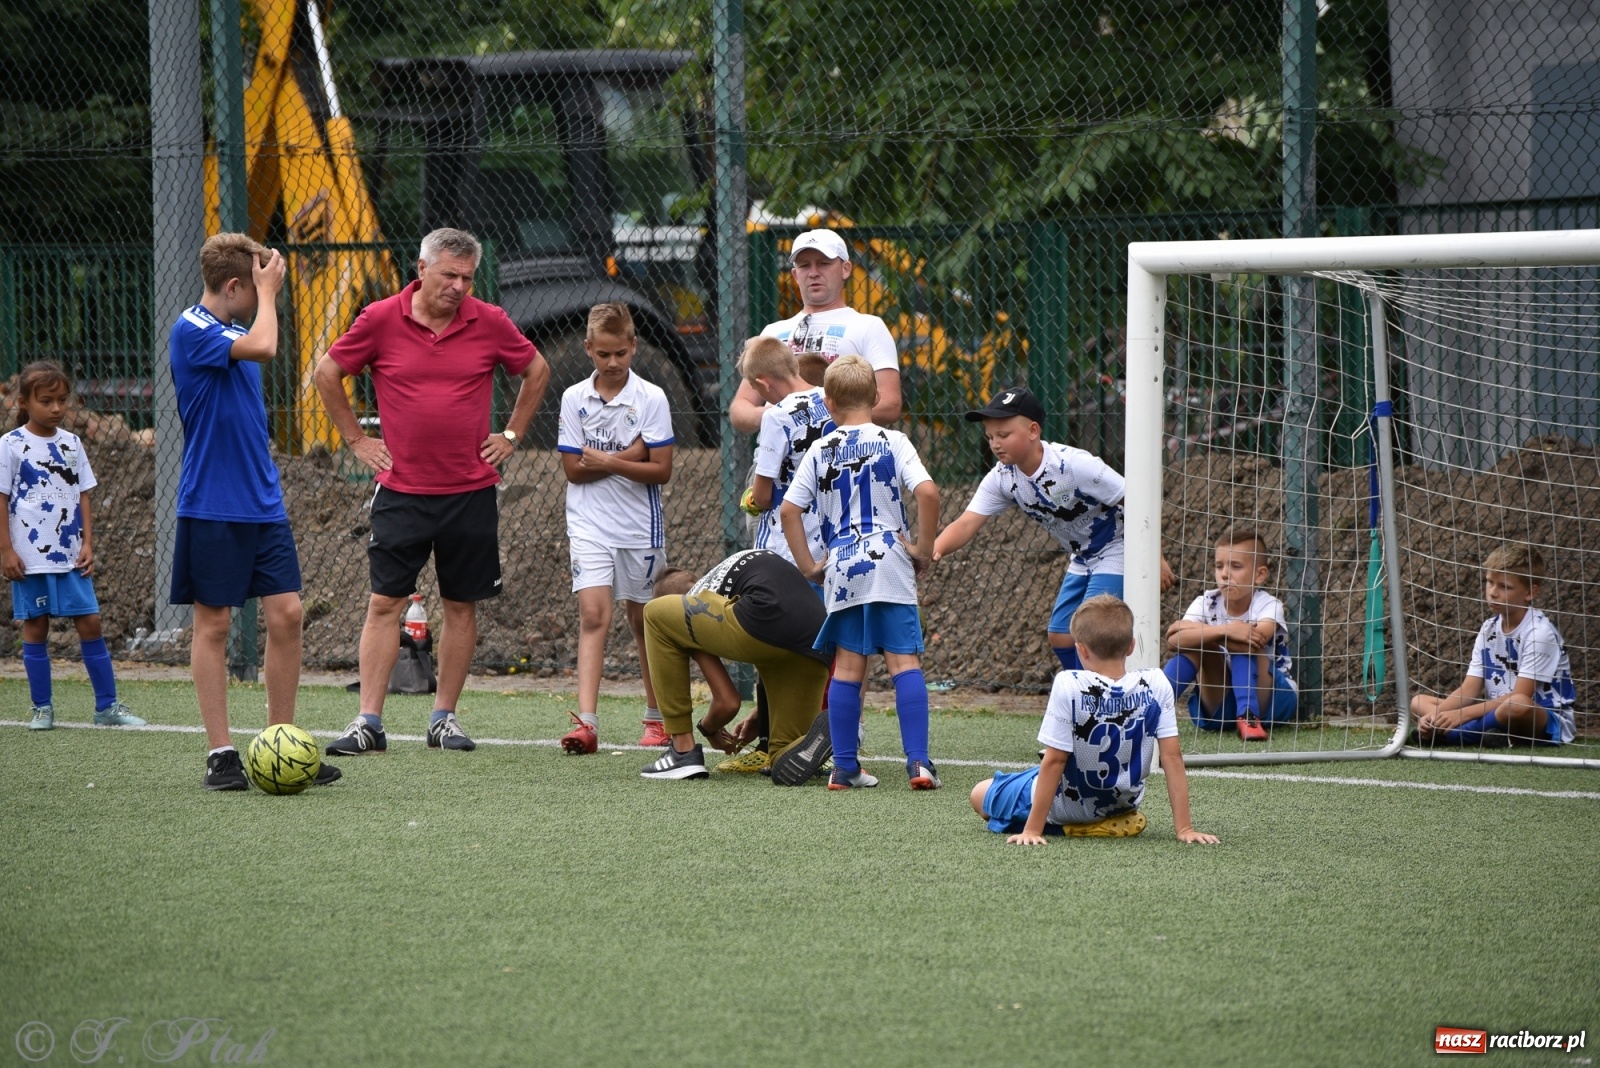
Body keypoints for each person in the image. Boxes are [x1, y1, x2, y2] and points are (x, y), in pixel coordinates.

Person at [316, 227, 550, 757]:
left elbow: (537, 370)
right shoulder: (380, 318)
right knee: (384, 603)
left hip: (470, 492)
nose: (459, 286)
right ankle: (368, 722)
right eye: (449, 275)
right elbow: (328, 373)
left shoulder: (490, 320)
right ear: (421, 269)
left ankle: (443, 718)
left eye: (467, 277)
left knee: (460, 606)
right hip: (401, 491)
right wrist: (356, 440)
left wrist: (512, 434)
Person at [168, 233, 331, 790]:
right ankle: (221, 754)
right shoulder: (192, 329)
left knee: (287, 615)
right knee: (214, 624)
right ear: (235, 286)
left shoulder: (236, 331)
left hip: (263, 503)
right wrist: (269, 292)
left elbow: (258, 343)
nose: (269, 298)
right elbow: (265, 346)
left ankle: (281, 743)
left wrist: (263, 284)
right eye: (260, 288)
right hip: (212, 504)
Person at [781, 354, 941, 791]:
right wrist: (922, 550)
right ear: (875, 397)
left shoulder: (820, 450)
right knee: (904, 662)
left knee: (849, 668)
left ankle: (844, 767)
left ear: (829, 403)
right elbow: (928, 493)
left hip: (842, 563)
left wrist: (809, 566)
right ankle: (919, 764)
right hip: (889, 558)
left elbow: (789, 510)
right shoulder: (894, 440)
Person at [932, 386, 1172, 672]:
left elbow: (1137, 501)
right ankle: (1086, 686)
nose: (995, 444)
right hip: (1082, 556)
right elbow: (966, 522)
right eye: (990, 436)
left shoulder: (1073, 465)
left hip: (1119, 546)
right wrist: (931, 551)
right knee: (1060, 635)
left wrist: (1154, 557)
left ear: (1033, 431)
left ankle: (1102, 691)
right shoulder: (1002, 478)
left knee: (1093, 629)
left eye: (1004, 435)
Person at [971, 595, 1219, 845]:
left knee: (979, 795)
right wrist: (1185, 828)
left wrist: (1033, 831)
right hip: (1121, 805)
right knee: (1031, 776)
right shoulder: (1156, 683)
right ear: (1131, 646)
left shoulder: (1069, 684)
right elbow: (1172, 757)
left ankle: (1067, 828)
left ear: (1080, 649)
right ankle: (1093, 822)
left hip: (1068, 805)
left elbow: (1055, 760)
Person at [555, 302, 676, 754]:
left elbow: (661, 470)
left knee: (644, 621)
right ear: (588, 349)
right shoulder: (573, 398)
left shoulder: (652, 398)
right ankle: (586, 723)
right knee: (593, 615)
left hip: (639, 529)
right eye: (603, 354)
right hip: (588, 524)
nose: (612, 362)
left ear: (634, 347)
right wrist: (630, 455)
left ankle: (657, 718)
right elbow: (573, 470)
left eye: (620, 353)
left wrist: (605, 459)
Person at [2, 361, 144, 731]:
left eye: (62, 400)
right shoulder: (10, 445)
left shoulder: (72, 443)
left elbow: (83, 495)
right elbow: (1, 498)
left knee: (91, 622)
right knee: (35, 627)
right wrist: (6, 550)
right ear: (24, 402)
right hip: (30, 558)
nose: (56, 408)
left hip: (70, 556)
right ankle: (42, 708)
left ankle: (107, 707)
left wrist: (88, 544)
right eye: (46, 401)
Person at [638, 550, 834, 785]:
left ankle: (682, 752)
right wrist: (762, 714)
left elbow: (728, 702)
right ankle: (834, 728)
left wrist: (709, 728)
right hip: (818, 640)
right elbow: (782, 628)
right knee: (784, 751)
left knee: (653, 614)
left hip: (766, 619)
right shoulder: (728, 575)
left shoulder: (697, 602)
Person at [729, 229, 900, 434]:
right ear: (795, 274)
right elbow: (740, 407)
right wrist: (773, 416)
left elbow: (890, 404)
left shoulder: (868, 327)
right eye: (804, 265)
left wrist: (811, 414)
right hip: (778, 453)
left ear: (845, 269)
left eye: (824, 263)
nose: (813, 273)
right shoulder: (773, 332)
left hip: (838, 451)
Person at [1411, 543, 1576, 747]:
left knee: (1517, 705)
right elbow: (1468, 689)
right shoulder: (1488, 628)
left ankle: (1451, 735)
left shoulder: (1540, 633)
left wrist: (1461, 715)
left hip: (1544, 718)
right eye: (1489, 582)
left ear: (1530, 592)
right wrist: (1435, 716)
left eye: (1504, 587)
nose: (1493, 592)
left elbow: (1520, 696)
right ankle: (1480, 733)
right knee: (1419, 701)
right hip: (1495, 713)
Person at [1162, 527, 1298, 741]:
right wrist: (1226, 630)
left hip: (1271, 699)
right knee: (1198, 645)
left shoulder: (1269, 605)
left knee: (1244, 644)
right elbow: (1173, 641)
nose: (1225, 574)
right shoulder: (1205, 602)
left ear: (1260, 574)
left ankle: (1248, 717)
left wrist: (1204, 631)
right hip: (1222, 703)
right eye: (1219, 566)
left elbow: (1252, 642)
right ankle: (1152, 708)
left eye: (1235, 566)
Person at [741, 336, 836, 567]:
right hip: (830, 533)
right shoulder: (831, 398)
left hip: (786, 546)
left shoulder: (776, 416)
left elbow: (763, 497)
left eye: (755, 388)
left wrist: (752, 497)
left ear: (763, 384)